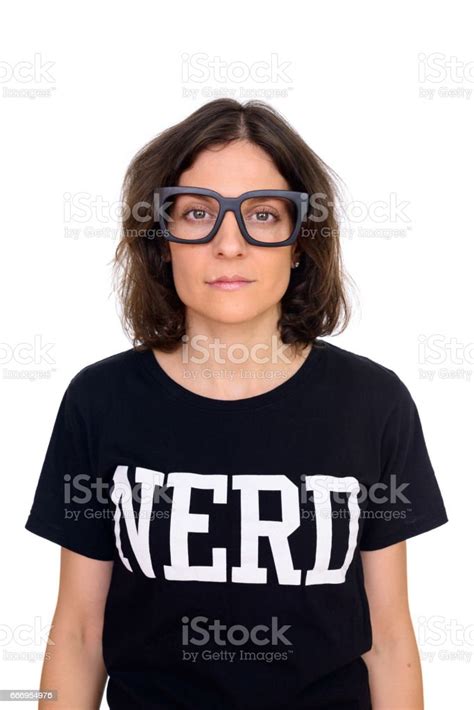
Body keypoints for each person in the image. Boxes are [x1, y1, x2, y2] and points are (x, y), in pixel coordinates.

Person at [25, 98, 449, 710]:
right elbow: (80, 634)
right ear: (161, 238)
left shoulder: (372, 404)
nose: (230, 245)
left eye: (263, 215)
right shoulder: (100, 402)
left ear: (300, 239)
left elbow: (388, 640)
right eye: (198, 213)